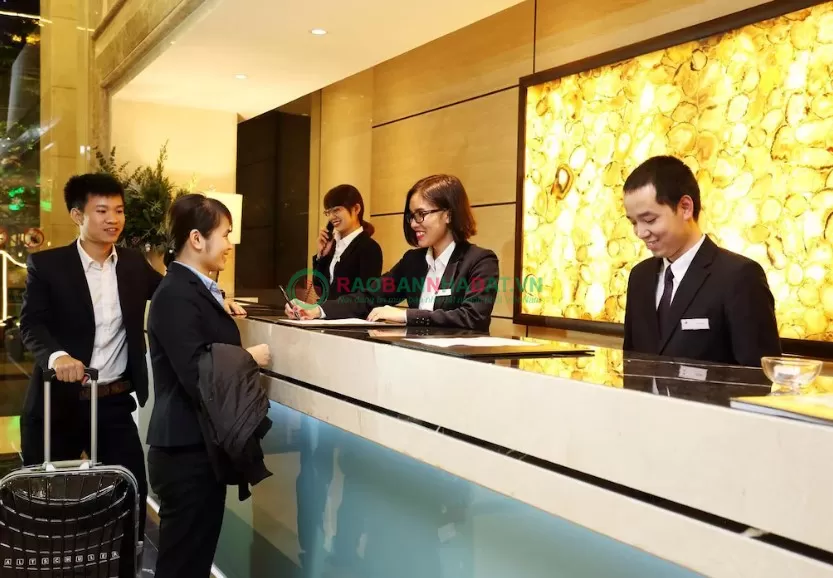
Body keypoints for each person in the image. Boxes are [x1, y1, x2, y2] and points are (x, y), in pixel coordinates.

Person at [146, 193, 271, 577]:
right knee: (182, 567)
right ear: (197, 239)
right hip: (185, 453)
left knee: (192, 564)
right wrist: (249, 358)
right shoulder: (176, 294)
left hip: (196, 450)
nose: (230, 244)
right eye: (226, 234)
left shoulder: (193, 290)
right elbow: (196, 369)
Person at [622, 155, 781, 367]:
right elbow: (632, 362)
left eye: (649, 220)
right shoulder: (639, 277)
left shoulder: (739, 277)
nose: (640, 232)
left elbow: (758, 374)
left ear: (685, 207)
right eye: (634, 222)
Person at [287, 174, 499, 332]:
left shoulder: (480, 261)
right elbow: (369, 296)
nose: (414, 224)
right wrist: (317, 310)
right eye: (411, 216)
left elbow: (473, 317)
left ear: (448, 215)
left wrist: (406, 315)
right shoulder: (413, 261)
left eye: (421, 214)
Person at [309, 184, 383, 302]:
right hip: (326, 312)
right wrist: (321, 256)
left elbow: (365, 298)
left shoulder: (369, 248)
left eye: (336, 210)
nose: (331, 217)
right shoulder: (332, 245)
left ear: (356, 209)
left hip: (348, 314)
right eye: (328, 212)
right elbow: (320, 289)